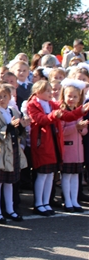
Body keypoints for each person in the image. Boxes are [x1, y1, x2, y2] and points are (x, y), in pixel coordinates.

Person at [26, 80, 88, 216]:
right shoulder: (32, 105)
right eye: (47, 91)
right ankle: (39, 203)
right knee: (42, 175)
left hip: (53, 142)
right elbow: (40, 119)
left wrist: (81, 110)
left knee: (50, 176)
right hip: (42, 143)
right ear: (38, 92)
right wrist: (54, 115)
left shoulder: (51, 104)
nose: (51, 93)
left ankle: (46, 202)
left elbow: (68, 115)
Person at [0, 83, 29, 224]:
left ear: (10, 97)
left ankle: (10, 209)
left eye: (5, 96)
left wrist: (21, 126)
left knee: (10, 182)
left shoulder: (12, 111)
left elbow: (19, 131)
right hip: (0, 150)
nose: (2, 99)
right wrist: (10, 126)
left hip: (12, 148)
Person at [59, 79, 87, 212]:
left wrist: (82, 128)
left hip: (78, 150)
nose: (71, 99)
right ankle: (67, 201)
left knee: (76, 176)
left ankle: (75, 200)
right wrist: (75, 127)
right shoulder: (63, 112)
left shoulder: (78, 111)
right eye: (69, 96)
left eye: (75, 96)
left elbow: (83, 132)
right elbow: (62, 132)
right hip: (68, 149)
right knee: (67, 176)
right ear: (64, 96)